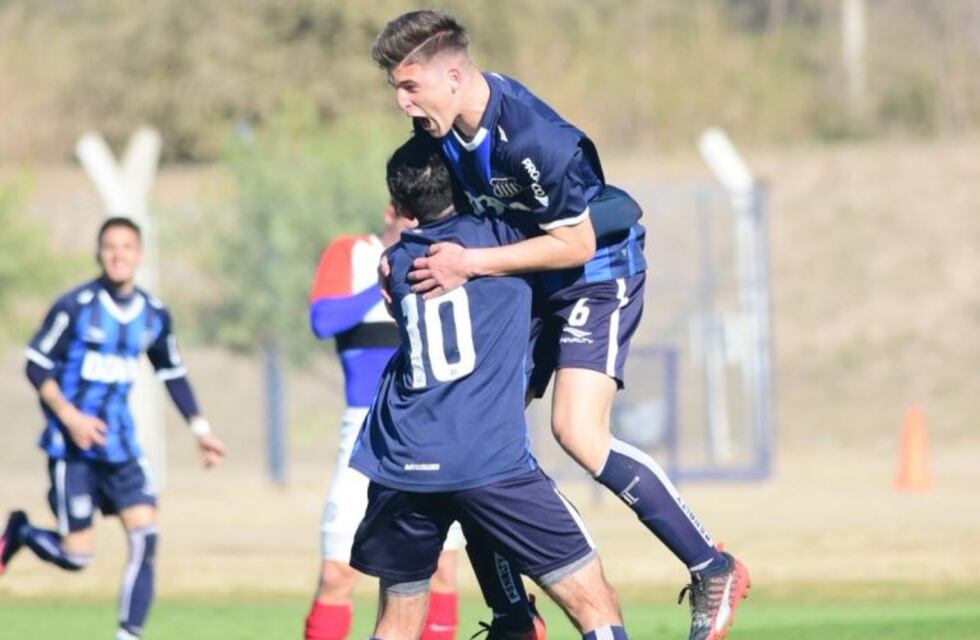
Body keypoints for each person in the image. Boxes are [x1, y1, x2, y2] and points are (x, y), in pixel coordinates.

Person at [371, 11, 750, 640]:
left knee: (576, 430)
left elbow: (575, 243)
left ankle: (712, 564)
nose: (402, 102)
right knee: (480, 432)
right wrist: (402, 256)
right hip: (533, 278)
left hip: (597, 273)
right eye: (396, 88)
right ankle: (515, 616)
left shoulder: (530, 138)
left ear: (455, 75)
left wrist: (471, 263)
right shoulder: (445, 136)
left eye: (410, 87)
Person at [350, 131, 628, 640]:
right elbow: (620, 213)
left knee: (396, 621)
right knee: (594, 604)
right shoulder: (502, 235)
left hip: (402, 463)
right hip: (487, 460)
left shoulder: (399, 264)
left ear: (400, 206)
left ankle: (514, 619)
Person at [0, 216, 226, 640]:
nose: (118, 255)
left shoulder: (155, 315)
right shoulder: (76, 307)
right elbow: (36, 364)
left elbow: (172, 373)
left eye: (126, 247)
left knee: (146, 535)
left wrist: (201, 430)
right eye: (110, 247)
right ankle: (24, 532)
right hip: (73, 449)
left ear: (139, 255)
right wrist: (70, 417)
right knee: (77, 557)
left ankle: (129, 634)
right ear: (99, 253)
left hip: (121, 447)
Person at [306, 206, 464, 640]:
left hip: (433, 428)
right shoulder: (352, 252)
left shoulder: (447, 258)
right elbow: (324, 321)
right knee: (338, 574)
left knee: (443, 572)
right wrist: (392, 276)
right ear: (392, 210)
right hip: (366, 429)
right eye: (412, 216)